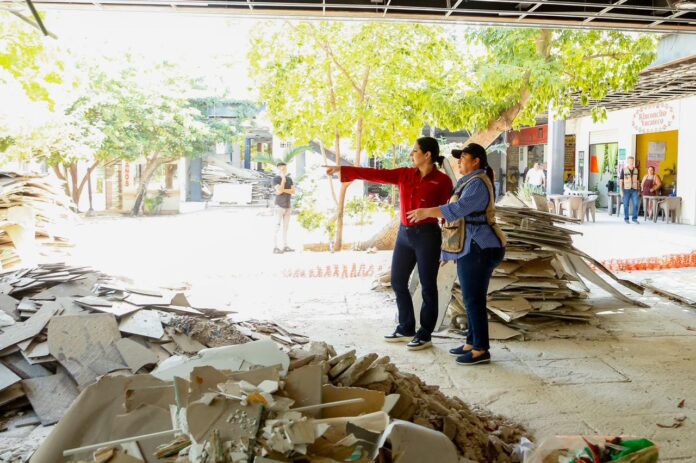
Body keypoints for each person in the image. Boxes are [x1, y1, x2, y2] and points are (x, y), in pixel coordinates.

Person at [324, 137, 452, 350]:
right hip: (404, 235)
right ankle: (406, 327)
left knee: (428, 286)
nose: (412, 154)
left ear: (427, 155)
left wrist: (447, 245)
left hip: (428, 236)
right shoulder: (404, 174)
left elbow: (449, 211)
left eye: (415, 150)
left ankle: (425, 333)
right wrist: (344, 170)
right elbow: (377, 175)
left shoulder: (443, 181)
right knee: (398, 281)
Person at [407, 143, 506, 366]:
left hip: (480, 247)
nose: (459, 162)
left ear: (476, 161)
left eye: (463, 158)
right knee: (472, 298)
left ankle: (481, 349)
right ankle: (472, 342)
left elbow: (457, 210)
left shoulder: (478, 184)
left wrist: (427, 211)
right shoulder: (469, 182)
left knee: (473, 299)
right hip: (471, 247)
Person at [272, 161, 296, 254]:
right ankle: (275, 247)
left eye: (285, 168)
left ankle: (285, 246)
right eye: (281, 168)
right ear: (278, 169)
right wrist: (283, 180)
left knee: (286, 227)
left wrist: (283, 189)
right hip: (279, 206)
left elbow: (293, 191)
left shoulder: (289, 179)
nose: (283, 170)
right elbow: (278, 192)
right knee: (277, 227)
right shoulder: (275, 179)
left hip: (288, 206)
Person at [620, 156, 640, 224]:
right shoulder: (624, 169)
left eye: (632, 161)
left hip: (634, 189)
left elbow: (637, 181)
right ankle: (626, 218)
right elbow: (621, 181)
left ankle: (634, 218)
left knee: (636, 204)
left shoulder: (636, 170)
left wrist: (638, 190)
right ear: (628, 162)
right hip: (626, 189)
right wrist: (621, 191)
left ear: (633, 161)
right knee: (626, 204)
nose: (631, 162)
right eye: (630, 161)